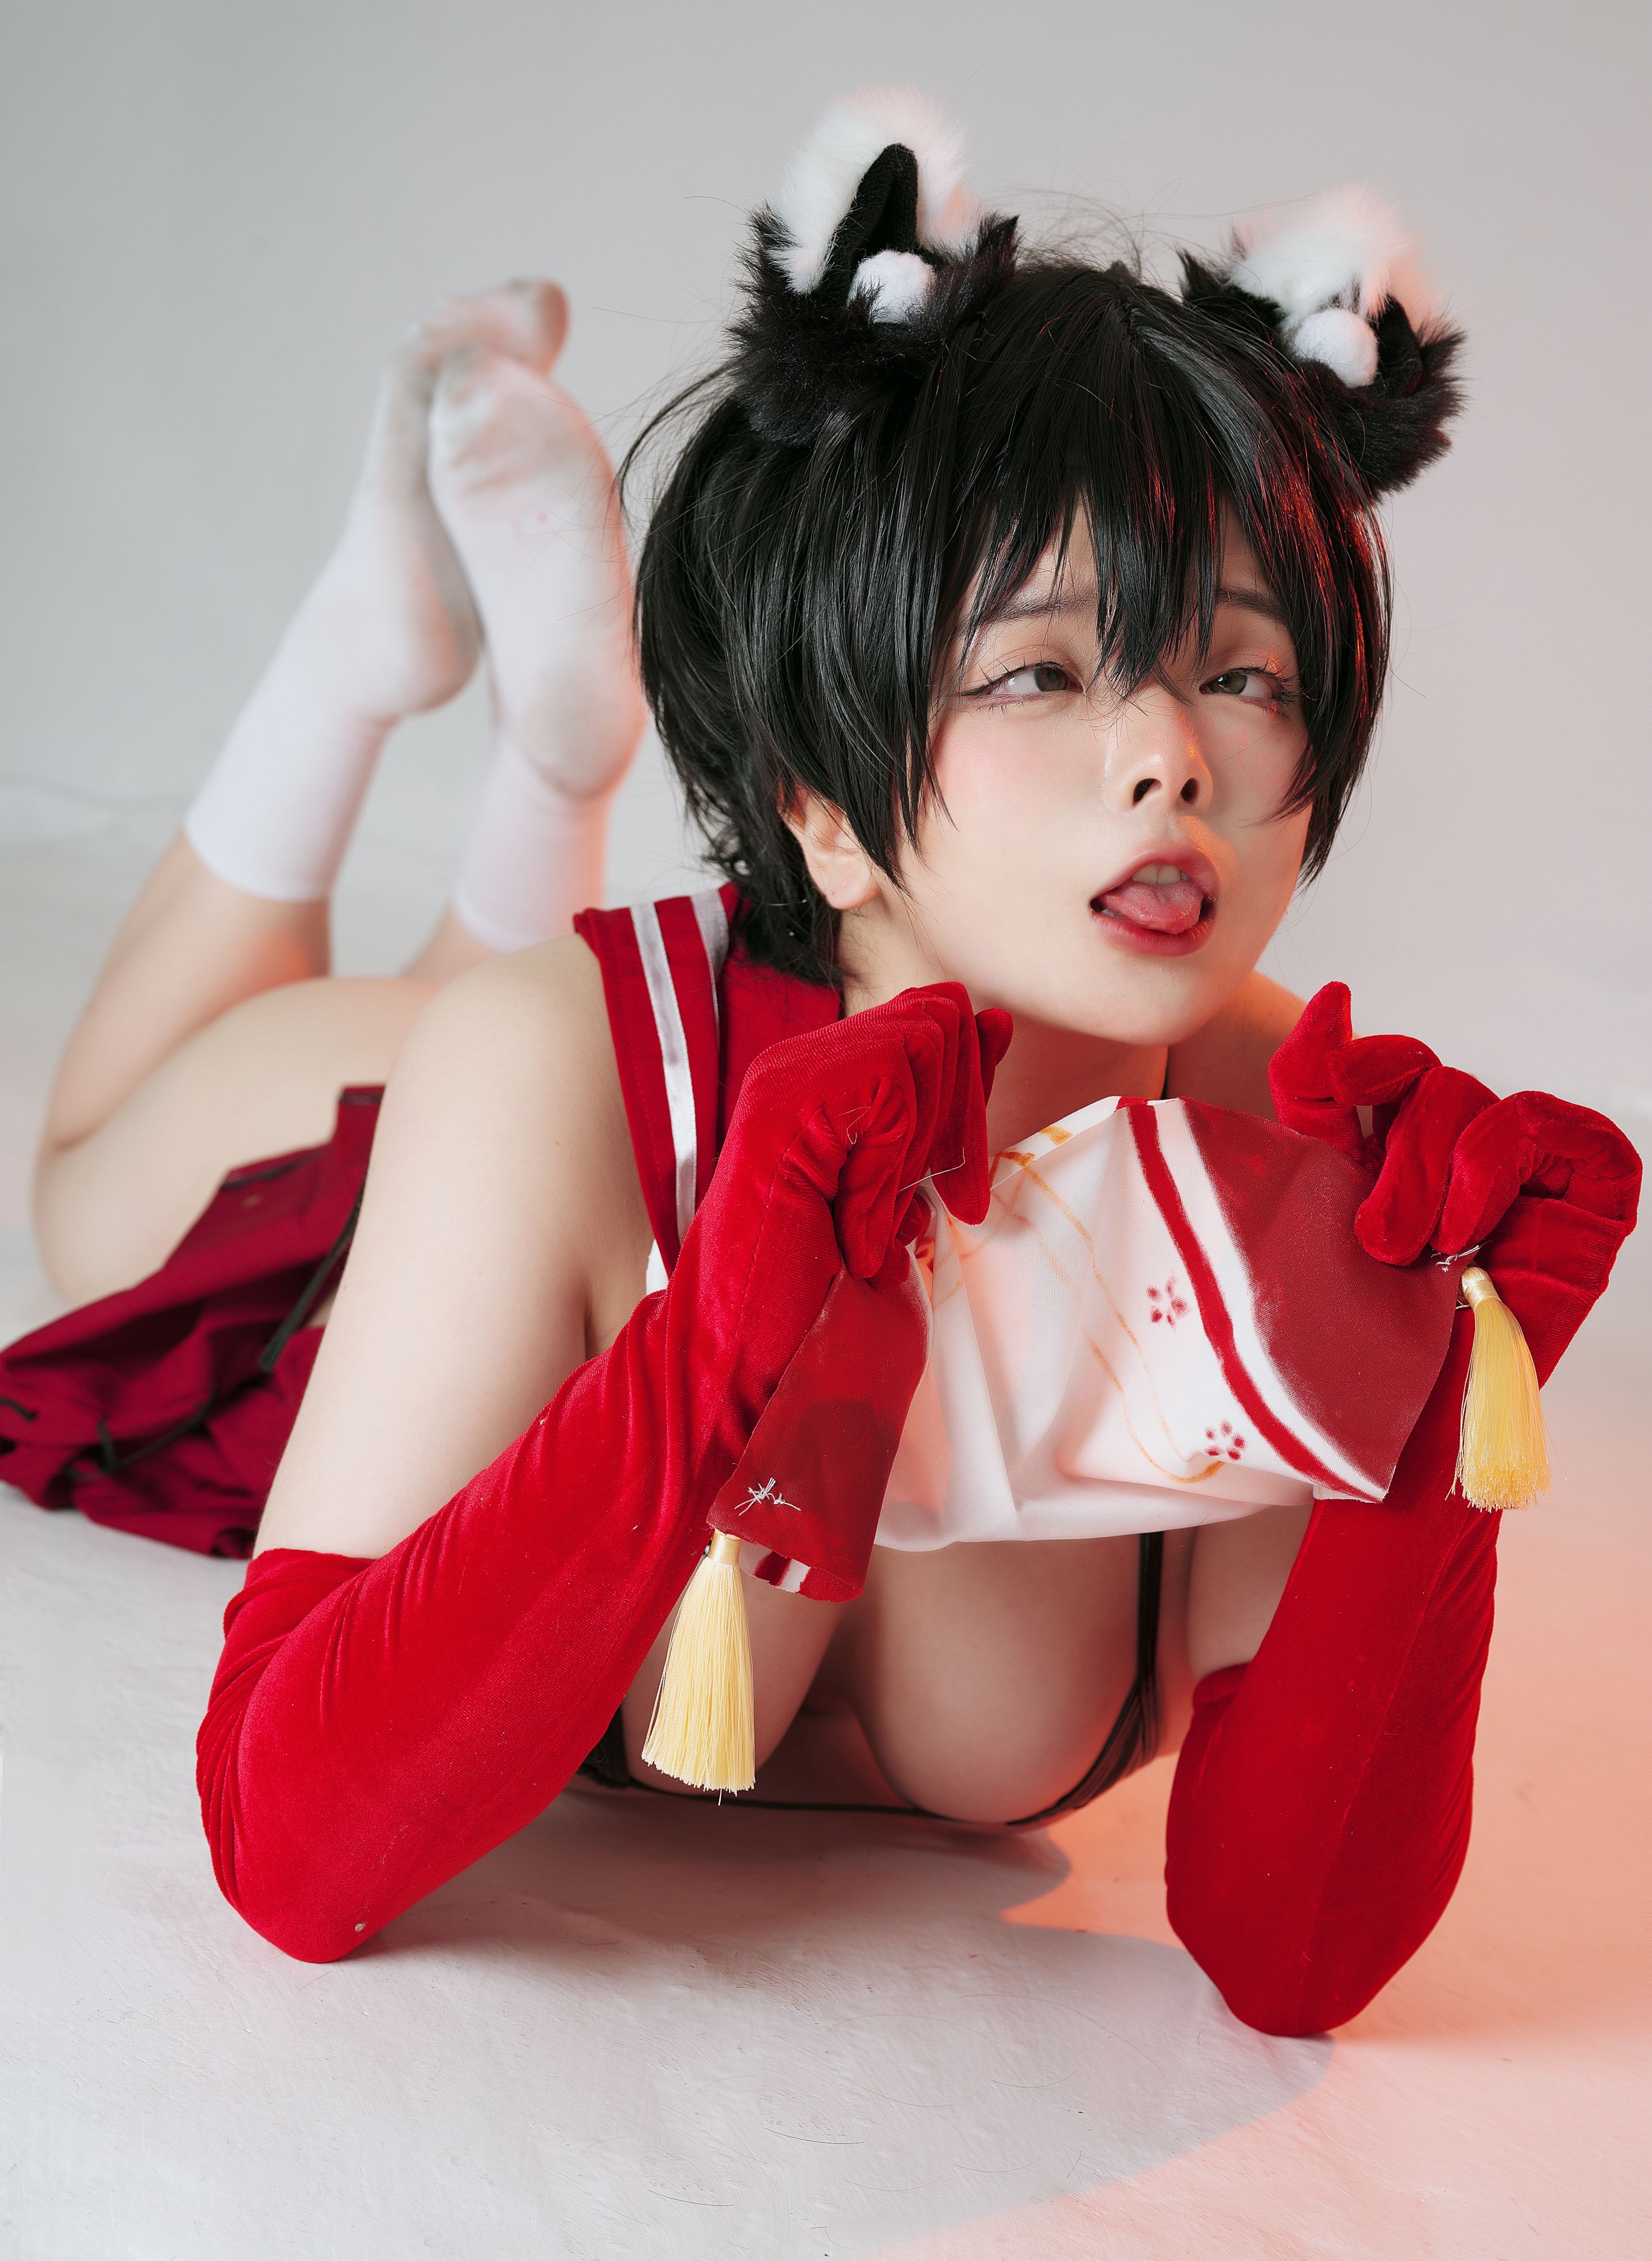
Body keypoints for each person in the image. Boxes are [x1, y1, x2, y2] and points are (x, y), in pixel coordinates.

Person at [5, 92, 1637, 2037]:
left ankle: (551, 745)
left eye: (1243, 671)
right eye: (1040, 670)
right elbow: (289, 1847)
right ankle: (377, 663)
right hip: (446, 1177)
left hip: (648, 1088)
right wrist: (717, 1332)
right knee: (91, 1190)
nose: (1172, 756)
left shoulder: (1292, 1158)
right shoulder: (548, 1068)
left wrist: (1444, 1408)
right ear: (817, 804)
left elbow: (1292, 1957)